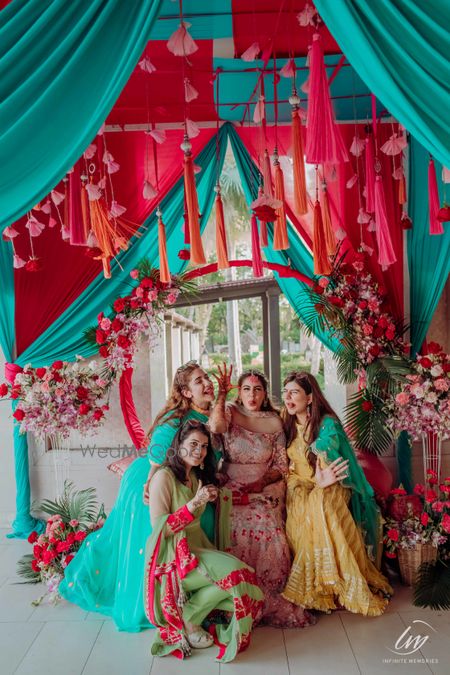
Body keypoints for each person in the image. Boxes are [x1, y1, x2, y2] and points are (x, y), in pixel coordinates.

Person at [60, 361, 218, 631]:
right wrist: (149, 483)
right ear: (187, 392)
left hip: (187, 478)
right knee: (150, 540)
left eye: (207, 377)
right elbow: (157, 453)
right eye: (199, 381)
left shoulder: (211, 412)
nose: (207, 383)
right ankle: (153, 602)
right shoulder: (177, 417)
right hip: (153, 478)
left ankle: (192, 594)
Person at [146, 420, 263, 662]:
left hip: (198, 549)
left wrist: (254, 498)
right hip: (175, 560)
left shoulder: (197, 477)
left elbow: (223, 498)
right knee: (236, 576)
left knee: (244, 581)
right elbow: (159, 530)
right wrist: (194, 505)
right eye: (193, 444)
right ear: (179, 445)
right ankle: (189, 621)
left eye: (204, 446)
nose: (199, 451)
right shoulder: (163, 478)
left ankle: (191, 617)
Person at [209, 365, 314, 628]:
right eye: (246, 389)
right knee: (233, 523)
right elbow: (215, 427)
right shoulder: (230, 413)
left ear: (265, 393)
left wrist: (260, 484)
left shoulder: (274, 420)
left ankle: (268, 595)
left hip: (264, 485)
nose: (252, 395)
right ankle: (237, 596)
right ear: (239, 392)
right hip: (231, 483)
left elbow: (280, 465)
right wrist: (222, 394)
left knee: (266, 522)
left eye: (257, 389)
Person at [280, 371, 392, 616]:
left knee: (321, 504)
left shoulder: (327, 421)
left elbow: (328, 444)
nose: (287, 397)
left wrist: (321, 465)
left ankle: (338, 584)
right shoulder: (284, 419)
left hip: (332, 482)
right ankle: (320, 586)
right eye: (285, 392)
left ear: (309, 398)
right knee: (302, 506)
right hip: (299, 483)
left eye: (294, 392)